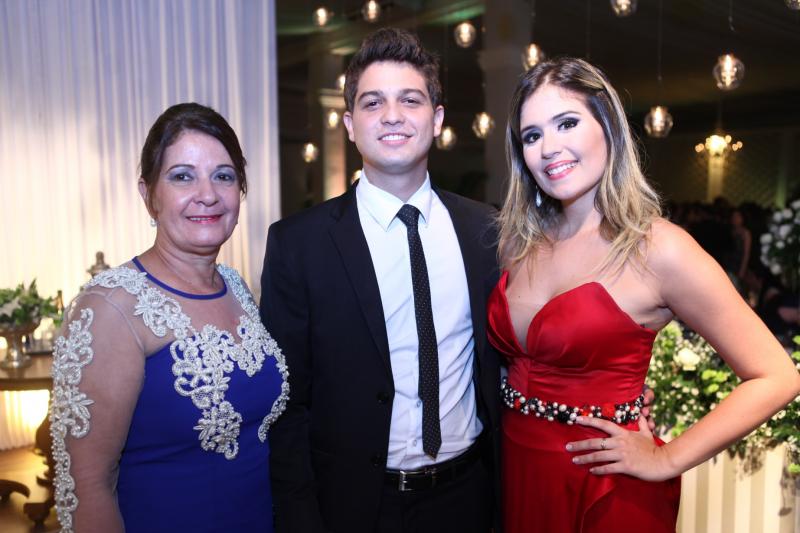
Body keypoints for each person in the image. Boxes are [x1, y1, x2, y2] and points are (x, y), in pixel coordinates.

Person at [490, 57, 800, 533]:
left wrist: (666, 458)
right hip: (519, 471)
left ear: (609, 128)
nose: (549, 147)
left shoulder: (657, 248)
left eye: (567, 123)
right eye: (532, 136)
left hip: (607, 486)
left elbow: (775, 376)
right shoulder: (518, 242)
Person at [261, 28, 501, 533]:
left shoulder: (487, 231)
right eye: (373, 103)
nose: (392, 115)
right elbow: (286, 403)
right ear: (350, 125)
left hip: (469, 497)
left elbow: (513, 360)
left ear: (437, 119)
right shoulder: (298, 244)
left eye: (410, 100)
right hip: (354, 507)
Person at [49, 103, 289, 533]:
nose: (207, 194)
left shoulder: (236, 287)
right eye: (182, 176)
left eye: (224, 176)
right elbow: (87, 487)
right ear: (149, 194)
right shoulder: (111, 307)